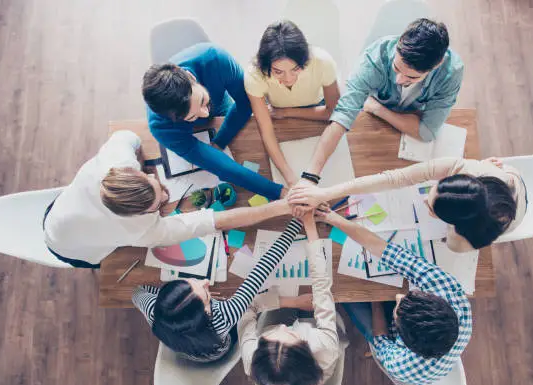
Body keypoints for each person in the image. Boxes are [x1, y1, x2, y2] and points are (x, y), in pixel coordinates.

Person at [43, 130, 292, 267]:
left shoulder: (117, 161)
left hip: (58, 213)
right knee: (104, 262)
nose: (166, 194)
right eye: (160, 203)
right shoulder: (142, 232)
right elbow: (219, 220)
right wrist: (280, 207)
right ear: (140, 216)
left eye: (156, 182)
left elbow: (129, 136)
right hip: (70, 248)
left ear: (133, 171)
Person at [292, 18, 463, 197]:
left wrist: (378, 109)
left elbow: (427, 131)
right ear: (399, 44)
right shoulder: (374, 59)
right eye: (396, 68)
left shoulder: (452, 71)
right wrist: (310, 176)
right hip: (376, 124)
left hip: (381, 114)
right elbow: (342, 117)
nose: (399, 80)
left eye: (411, 78)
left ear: (437, 64)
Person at [317, 206, 471, 385]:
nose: (398, 296)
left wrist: (375, 303)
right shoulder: (449, 292)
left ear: (401, 335)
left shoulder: (400, 365)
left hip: (399, 353)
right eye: (411, 296)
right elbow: (386, 249)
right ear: (436, 299)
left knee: (347, 299)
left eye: (398, 310)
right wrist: (332, 218)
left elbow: (381, 337)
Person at [133, 218, 312, 362]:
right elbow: (264, 267)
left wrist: (162, 298)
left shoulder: (152, 309)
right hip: (218, 350)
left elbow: (137, 291)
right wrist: (296, 222)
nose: (205, 281)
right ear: (207, 310)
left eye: (192, 281)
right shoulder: (226, 315)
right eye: (205, 294)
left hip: (187, 348)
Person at [143, 43, 285, 201]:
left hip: (220, 102)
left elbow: (245, 104)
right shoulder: (160, 127)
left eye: (202, 101)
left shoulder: (215, 59)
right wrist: (280, 193)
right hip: (183, 127)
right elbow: (222, 168)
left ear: (191, 77)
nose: (205, 114)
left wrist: (220, 141)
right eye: (192, 116)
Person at [289, 157, 525, 252]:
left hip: (517, 205)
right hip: (501, 175)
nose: (423, 199)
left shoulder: (464, 240)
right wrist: (325, 193)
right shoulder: (466, 168)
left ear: (456, 225)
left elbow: (456, 246)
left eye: (431, 209)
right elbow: (394, 178)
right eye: (433, 189)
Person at [238, 212, 345, 385]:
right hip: (311, 367)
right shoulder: (325, 347)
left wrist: (292, 302)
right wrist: (310, 227)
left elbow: (245, 306)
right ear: (306, 347)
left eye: (270, 335)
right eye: (292, 335)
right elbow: (322, 287)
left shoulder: (252, 358)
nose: (281, 326)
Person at [245, 20, 341, 186]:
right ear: (266, 66)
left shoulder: (322, 61)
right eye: (278, 72)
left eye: (295, 69)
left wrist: (288, 112)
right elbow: (266, 131)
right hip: (278, 114)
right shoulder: (254, 75)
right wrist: (291, 180)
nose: (288, 79)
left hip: (316, 108)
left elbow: (334, 111)